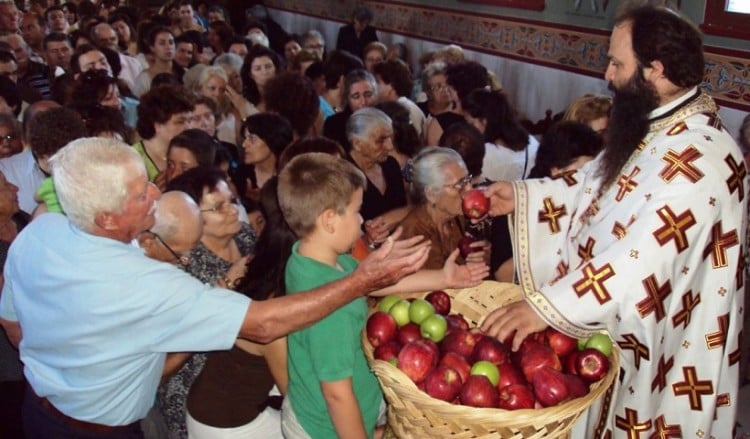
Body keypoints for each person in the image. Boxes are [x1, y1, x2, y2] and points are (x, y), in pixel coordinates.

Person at [0, 137, 432, 438]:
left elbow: (13, 325)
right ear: (107, 219)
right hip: (96, 431)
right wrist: (362, 280)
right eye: (138, 192)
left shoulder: (41, 232)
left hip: (37, 411)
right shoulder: (145, 282)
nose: (155, 190)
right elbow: (262, 326)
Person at [480, 6, 746, 437]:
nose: (607, 74)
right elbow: (595, 185)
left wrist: (549, 307)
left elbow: (643, 260)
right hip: (607, 324)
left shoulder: (704, 160)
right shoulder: (656, 128)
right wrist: (523, 196)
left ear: (655, 70)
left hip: (656, 345)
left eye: (617, 63)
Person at [277, 152, 488, 439]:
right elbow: (337, 395)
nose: (362, 219)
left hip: (339, 403)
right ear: (329, 220)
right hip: (327, 428)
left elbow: (371, 282)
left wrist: (444, 278)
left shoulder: (309, 259)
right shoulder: (330, 308)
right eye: (356, 211)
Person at [185, 177, 290, 438]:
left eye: (232, 201)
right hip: (203, 380)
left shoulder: (245, 235)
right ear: (192, 217)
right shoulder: (187, 265)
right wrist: (227, 284)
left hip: (245, 375)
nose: (233, 209)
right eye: (218, 207)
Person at [399, 147, 489, 270]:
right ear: (431, 194)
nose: (469, 189)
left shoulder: (458, 219)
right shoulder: (412, 237)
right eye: (460, 184)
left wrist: (484, 256)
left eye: (468, 179)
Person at [346, 107, 410, 247]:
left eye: (390, 138)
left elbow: (406, 209)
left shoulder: (391, 165)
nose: (390, 146)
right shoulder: (345, 176)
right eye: (381, 140)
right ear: (358, 144)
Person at [462, 88, 539, 182]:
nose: (468, 129)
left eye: (471, 123)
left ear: (484, 122)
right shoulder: (532, 142)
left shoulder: (483, 154)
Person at [133, 84, 194, 184]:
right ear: (157, 124)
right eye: (180, 122)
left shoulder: (191, 152)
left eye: (190, 120)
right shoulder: (133, 159)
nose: (189, 127)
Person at [241, 112, 293, 201]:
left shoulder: (292, 174)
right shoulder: (241, 176)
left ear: (272, 140)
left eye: (252, 139)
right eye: (245, 138)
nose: (244, 145)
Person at [323, 68, 378, 152]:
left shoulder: (387, 119)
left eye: (368, 94)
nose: (363, 102)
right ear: (347, 98)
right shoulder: (334, 124)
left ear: (376, 95)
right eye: (356, 96)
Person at [373, 59, 425, 137]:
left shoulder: (407, 109)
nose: (373, 87)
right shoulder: (388, 108)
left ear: (392, 85)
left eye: (377, 82)